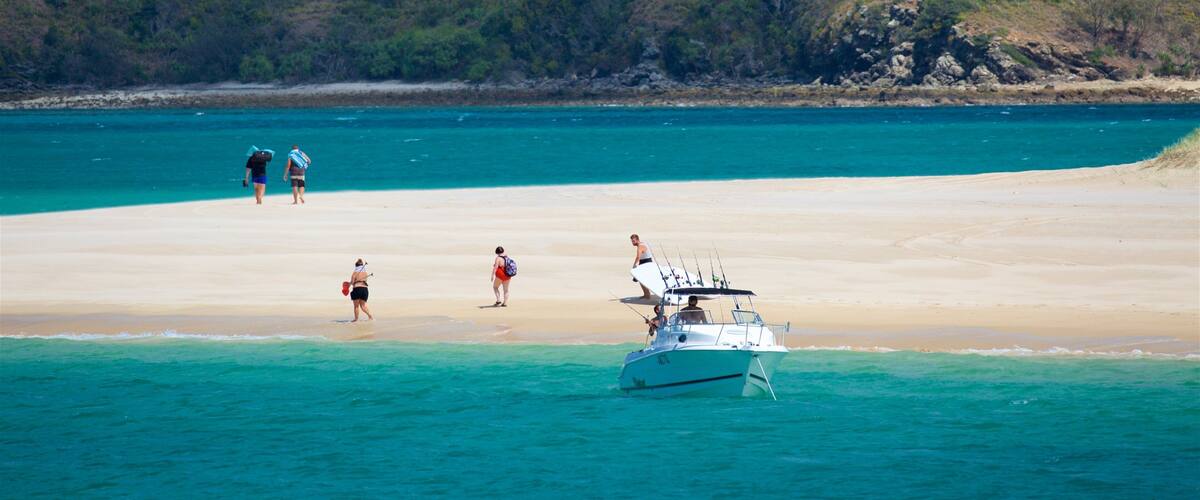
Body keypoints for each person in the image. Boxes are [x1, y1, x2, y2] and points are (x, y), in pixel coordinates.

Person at [630, 234, 654, 300]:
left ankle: (647, 295)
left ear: (638, 240)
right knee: (640, 279)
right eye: (632, 241)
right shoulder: (643, 243)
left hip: (646, 262)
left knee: (641, 279)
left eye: (633, 241)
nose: (632, 243)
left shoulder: (640, 246)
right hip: (645, 262)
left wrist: (634, 265)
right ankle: (646, 294)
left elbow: (638, 256)